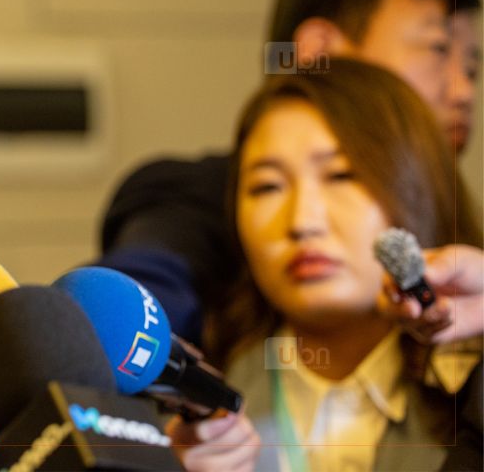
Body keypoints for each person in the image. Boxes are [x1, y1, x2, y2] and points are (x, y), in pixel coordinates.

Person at [98, 0, 483, 343]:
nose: (463, 92)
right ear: (319, 54)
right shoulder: (196, 203)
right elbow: (142, 288)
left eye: (473, 70)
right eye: (437, 49)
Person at [196, 59, 477, 471]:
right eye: (268, 186)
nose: (303, 221)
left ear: (417, 185)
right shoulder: (201, 404)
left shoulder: (472, 388)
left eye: (342, 175)